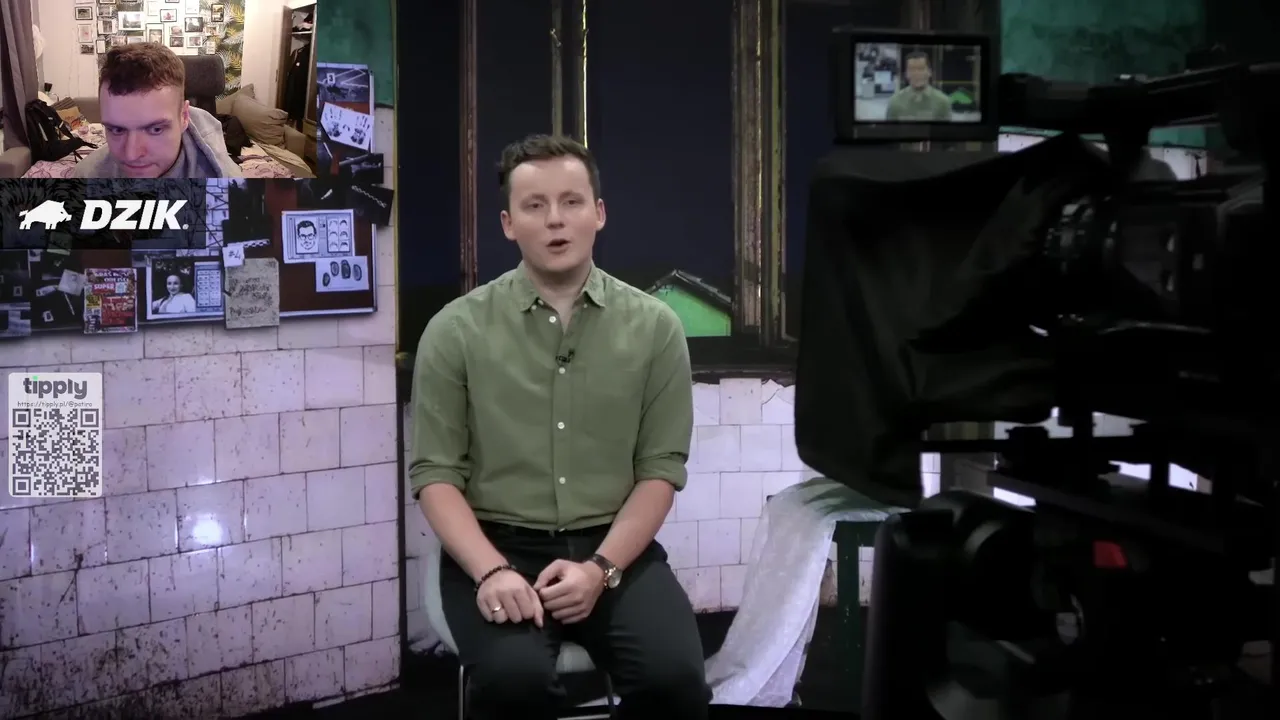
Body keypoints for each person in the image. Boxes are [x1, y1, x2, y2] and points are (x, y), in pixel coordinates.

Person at [409, 134, 711, 720]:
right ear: (507, 223)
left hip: (616, 550)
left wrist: (600, 569)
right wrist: (492, 570)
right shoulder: (455, 331)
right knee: (513, 685)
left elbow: (660, 471)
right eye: (534, 205)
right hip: (497, 548)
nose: (555, 219)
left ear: (599, 213)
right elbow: (435, 475)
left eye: (571, 202)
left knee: (675, 682)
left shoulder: (656, 328)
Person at [75, 43, 242, 178]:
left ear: (184, 117)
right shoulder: (87, 176)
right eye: (117, 130)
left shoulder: (224, 183)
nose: (132, 154)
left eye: (155, 129)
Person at [885, 51, 954, 122]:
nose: (916, 73)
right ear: (906, 74)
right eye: (912, 69)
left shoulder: (943, 102)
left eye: (921, 69)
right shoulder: (895, 102)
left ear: (929, 72)